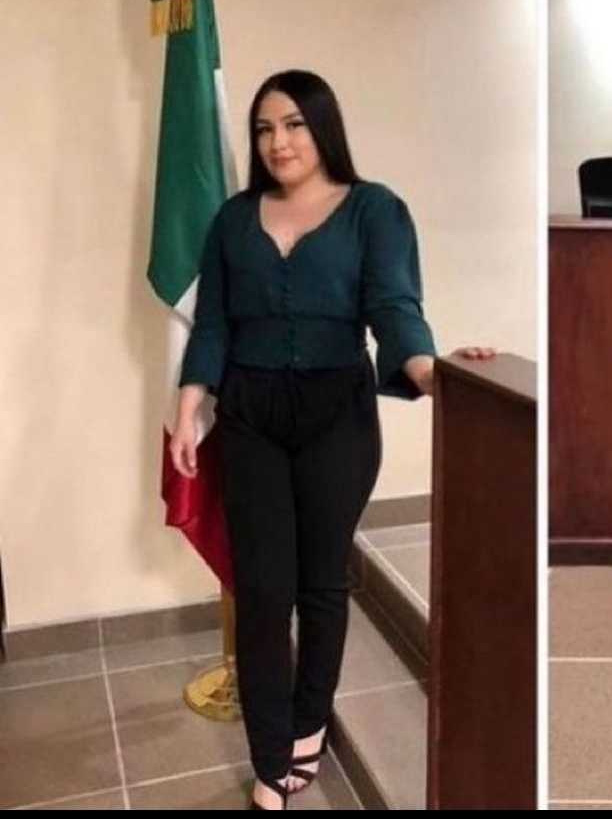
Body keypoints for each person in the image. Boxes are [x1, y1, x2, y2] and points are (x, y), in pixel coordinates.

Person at [169, 69, 493, 809]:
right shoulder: (233, 219)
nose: (278, 141)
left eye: (293, 124)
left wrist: (427, 368)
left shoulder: (374, 210)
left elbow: (394, 304)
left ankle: (309, 725)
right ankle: (269, 749)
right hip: (248, 412)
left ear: (323, 129)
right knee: (261, 589)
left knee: (320, 583)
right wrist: (190, 406)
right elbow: (215, 322)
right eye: (264, 128)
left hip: (336, 415)